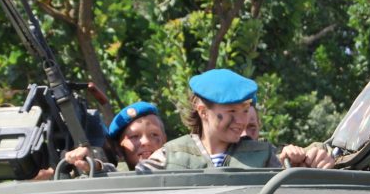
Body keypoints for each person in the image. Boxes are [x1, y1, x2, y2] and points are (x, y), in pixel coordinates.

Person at [137, 69, 331, 171]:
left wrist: (311, 163)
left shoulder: (265, 156)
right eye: (231, 111)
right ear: (203, 112)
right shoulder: (168, 157)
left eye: (245, 111)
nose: (241, 121)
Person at [58, 101, 167, 175]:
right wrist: (92, 166)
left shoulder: (173, 160)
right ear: (118, 149)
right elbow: (111, 173)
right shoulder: (119, 174)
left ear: (165, 139)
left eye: (154, 134)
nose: (146, 142)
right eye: (134, 137)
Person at [242, 106, 334, 168]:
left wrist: (319, 157)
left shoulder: (272, 156)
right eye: (238, 127)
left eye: (251, 127)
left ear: (259, 126)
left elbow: (319, 149)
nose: (245, 134)